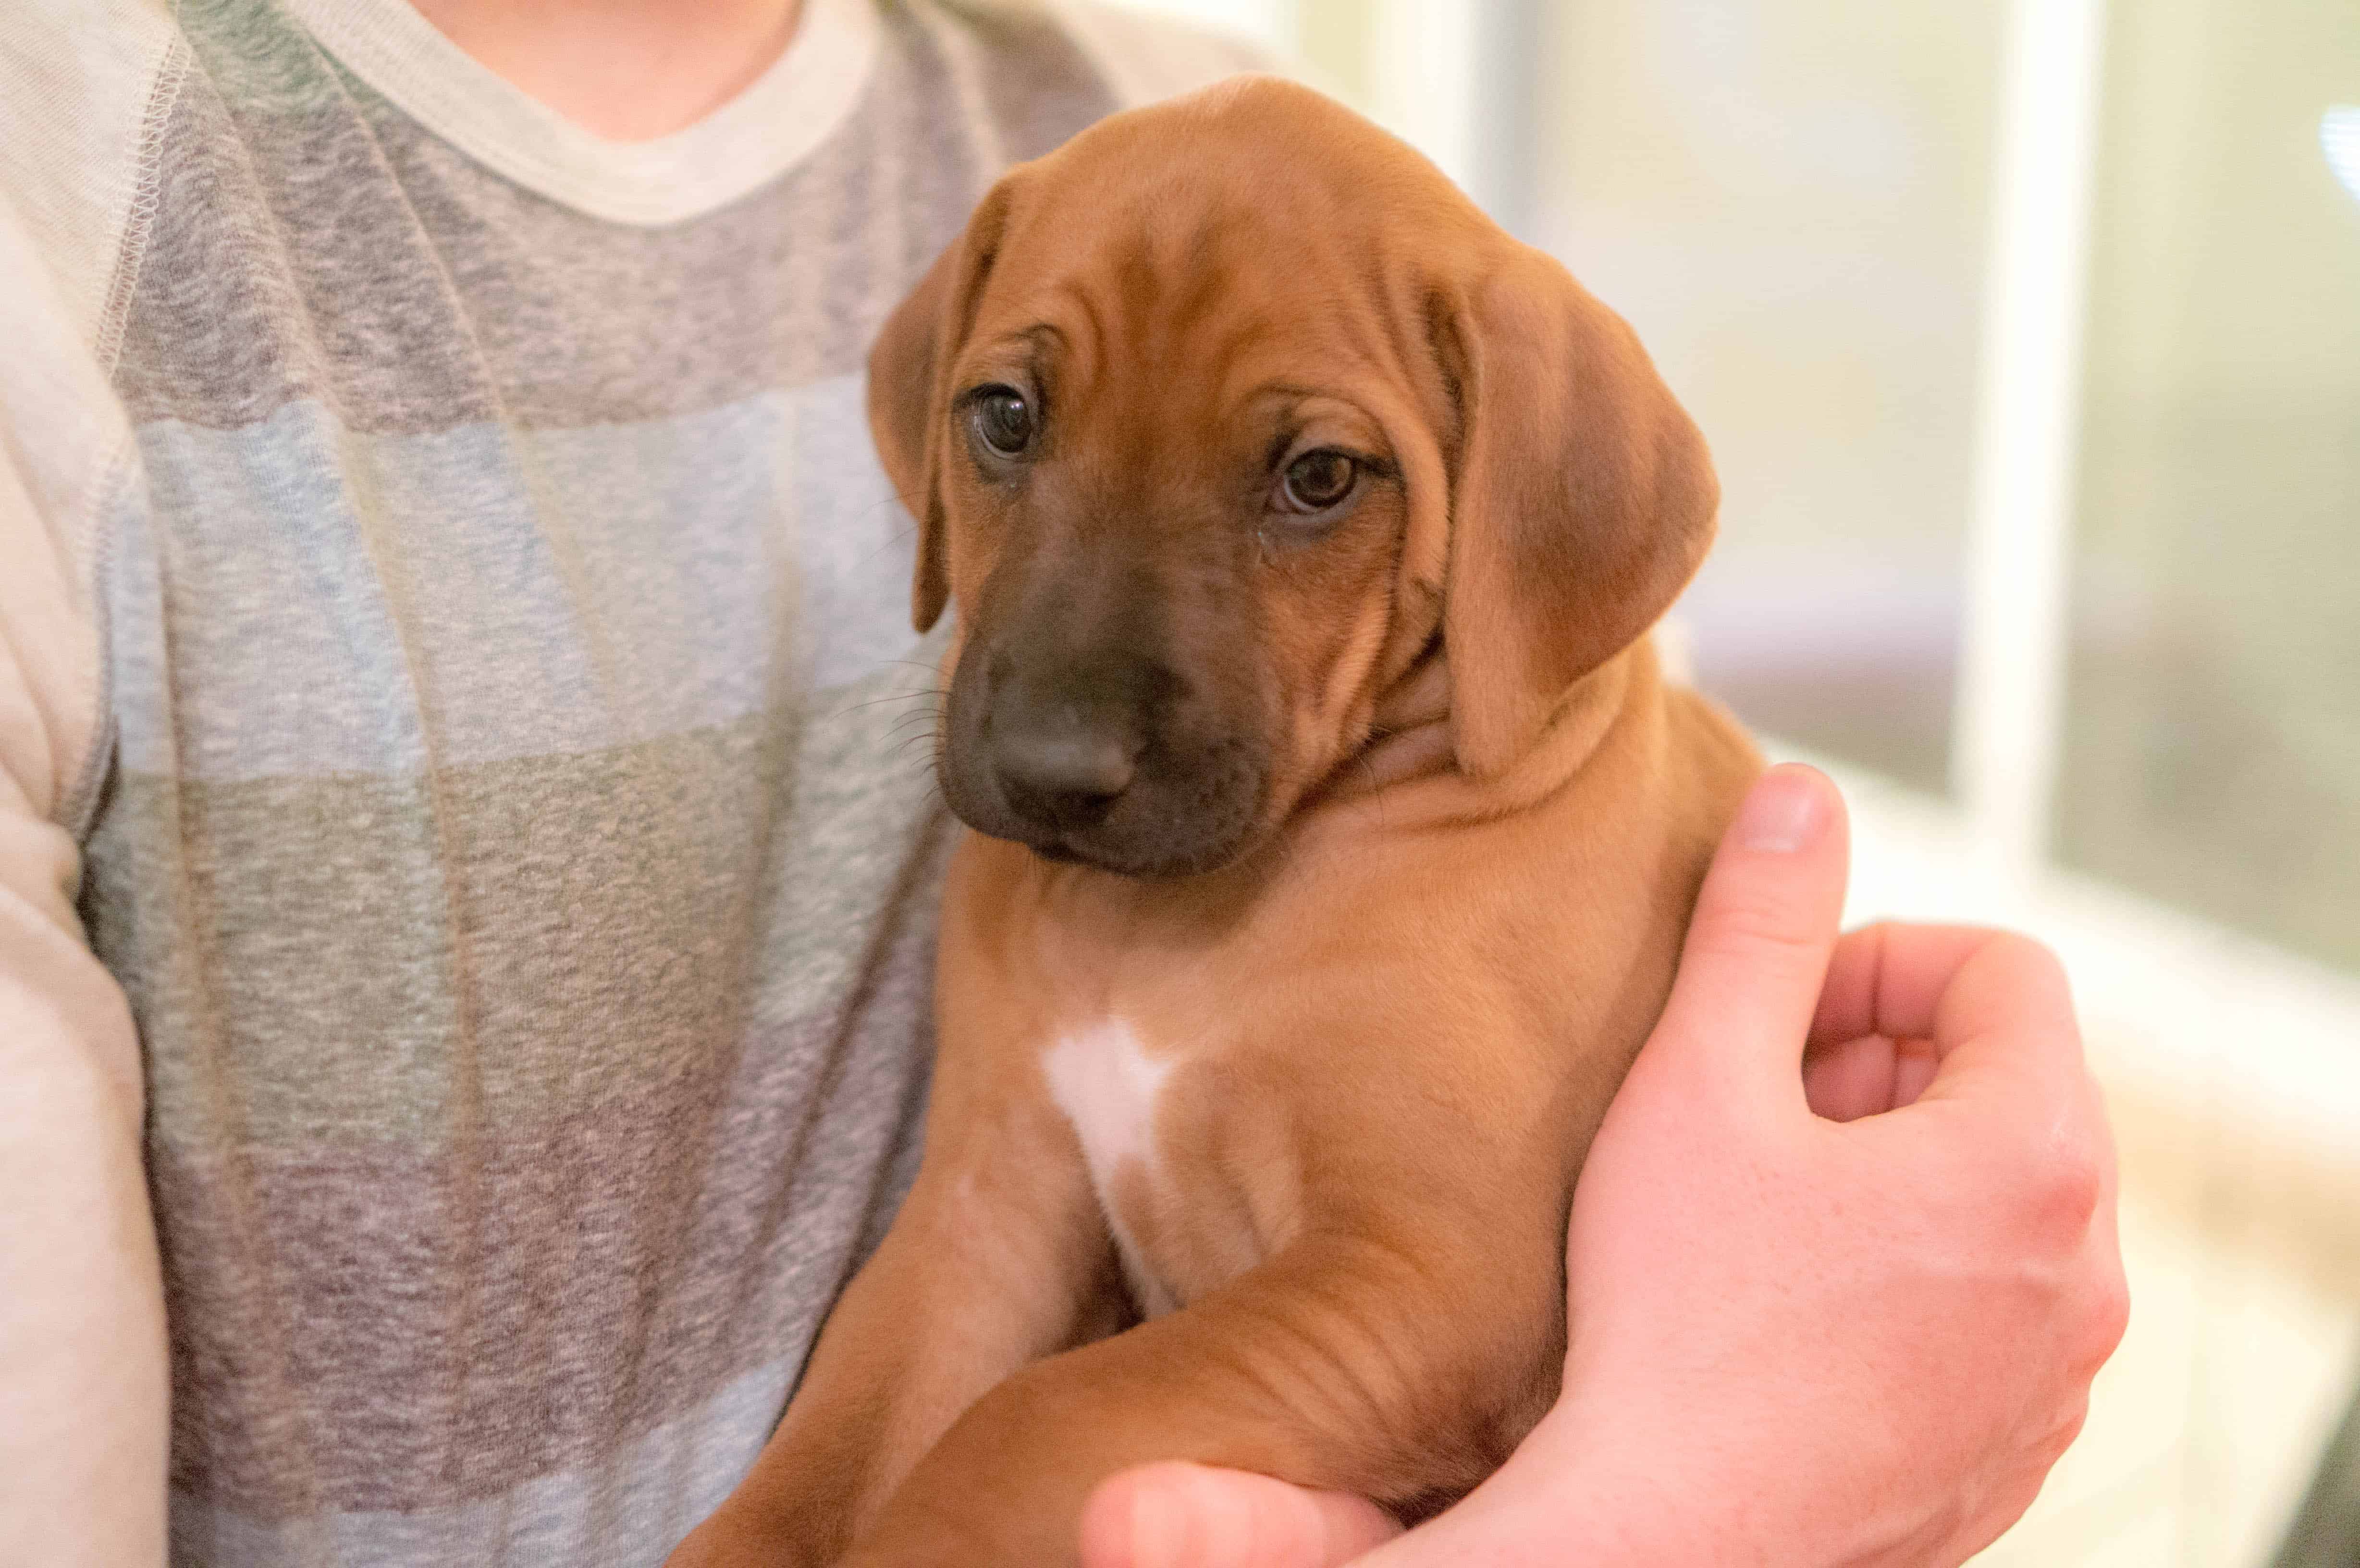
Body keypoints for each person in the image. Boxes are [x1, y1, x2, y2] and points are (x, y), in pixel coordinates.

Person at [0, 2, 2124, 1564]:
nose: (1063, 734)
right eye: (1014, 430)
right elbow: (980, 1241)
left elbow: (1454, 1318)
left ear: (1512, 546)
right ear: (939, 432)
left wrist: (986, 1507)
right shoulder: (80, 231)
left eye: (1311, 481)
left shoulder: (1109, 80)